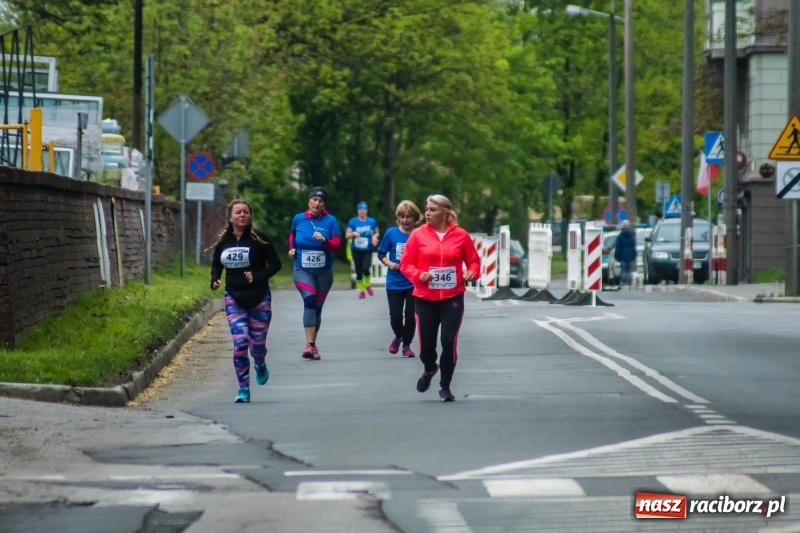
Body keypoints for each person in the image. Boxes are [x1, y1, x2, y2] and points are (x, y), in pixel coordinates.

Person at [400, 194, 480, 402]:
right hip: (425, 298)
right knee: (426, 348)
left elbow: (474, 262)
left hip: (452, 297)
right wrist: (419, 275)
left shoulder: (461, 235)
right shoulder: (418, 235)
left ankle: (445, 386)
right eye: (427, 209)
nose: (427, 213)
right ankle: (430, 367)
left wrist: (472, 273)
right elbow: (406, 264)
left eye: (432, 210)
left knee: (448, 341)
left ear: (445, 213)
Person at [209, 199, 282, 403]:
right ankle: (243, 389)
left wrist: (258, 276)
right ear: (230, 217)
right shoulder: (224, 241)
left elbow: (275, 264)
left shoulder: (259, 238)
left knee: (257, 346)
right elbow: (216, 264)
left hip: (259, 297)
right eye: (238, 212)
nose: (242, 215)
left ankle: (260, 362)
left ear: (250, 216)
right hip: (234, 297)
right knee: (240, 343)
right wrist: (214, 279)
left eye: (246, 212)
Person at [288, 186, 341, 360]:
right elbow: (292, 235)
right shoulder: (298, 218)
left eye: (321, 201)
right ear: (309, 201)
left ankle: (312, 344)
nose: (317, 203)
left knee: (317, 307)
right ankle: (309, 345)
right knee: (309, 300)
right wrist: (292, 248)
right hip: (302, 269)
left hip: (324, 272)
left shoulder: (330, 221)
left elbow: (337, 246)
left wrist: (325, 240)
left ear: (324, 204)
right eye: (314, 200)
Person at [377, 200, 423, 358]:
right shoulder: (391, 233)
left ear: (415, 217)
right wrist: (390, 264)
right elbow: (381, 254)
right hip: (395, 282)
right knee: (396, 316)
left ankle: (407, 346)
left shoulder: (419, 234)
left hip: (413, 282)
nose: (405, 220)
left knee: (411, 315)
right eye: (402, 217)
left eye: (409, 217)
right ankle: (399, 335)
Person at [346, 201, 380, 299]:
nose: (362, 211)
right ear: (357, 211)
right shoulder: (353, 222)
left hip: (367, 249)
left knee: (365, 268)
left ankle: (367, 285)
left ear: (367, 210)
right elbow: (347, 235)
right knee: (358, 271)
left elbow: (377, 233)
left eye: (364, 209)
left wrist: (374, 236)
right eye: (360, 209)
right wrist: (353, 234)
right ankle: (361, 291)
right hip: (356, 250)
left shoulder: (372, 221)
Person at [614, 219, 637, 290]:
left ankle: (621, 284)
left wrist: (616, 256)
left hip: (622, 256)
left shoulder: (620, 236)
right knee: (629, 270)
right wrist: (634, 256)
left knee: (623, 270)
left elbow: (618, 247)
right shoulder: (632, 236)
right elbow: (634, 247)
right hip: (630, 256)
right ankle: (631, 285)